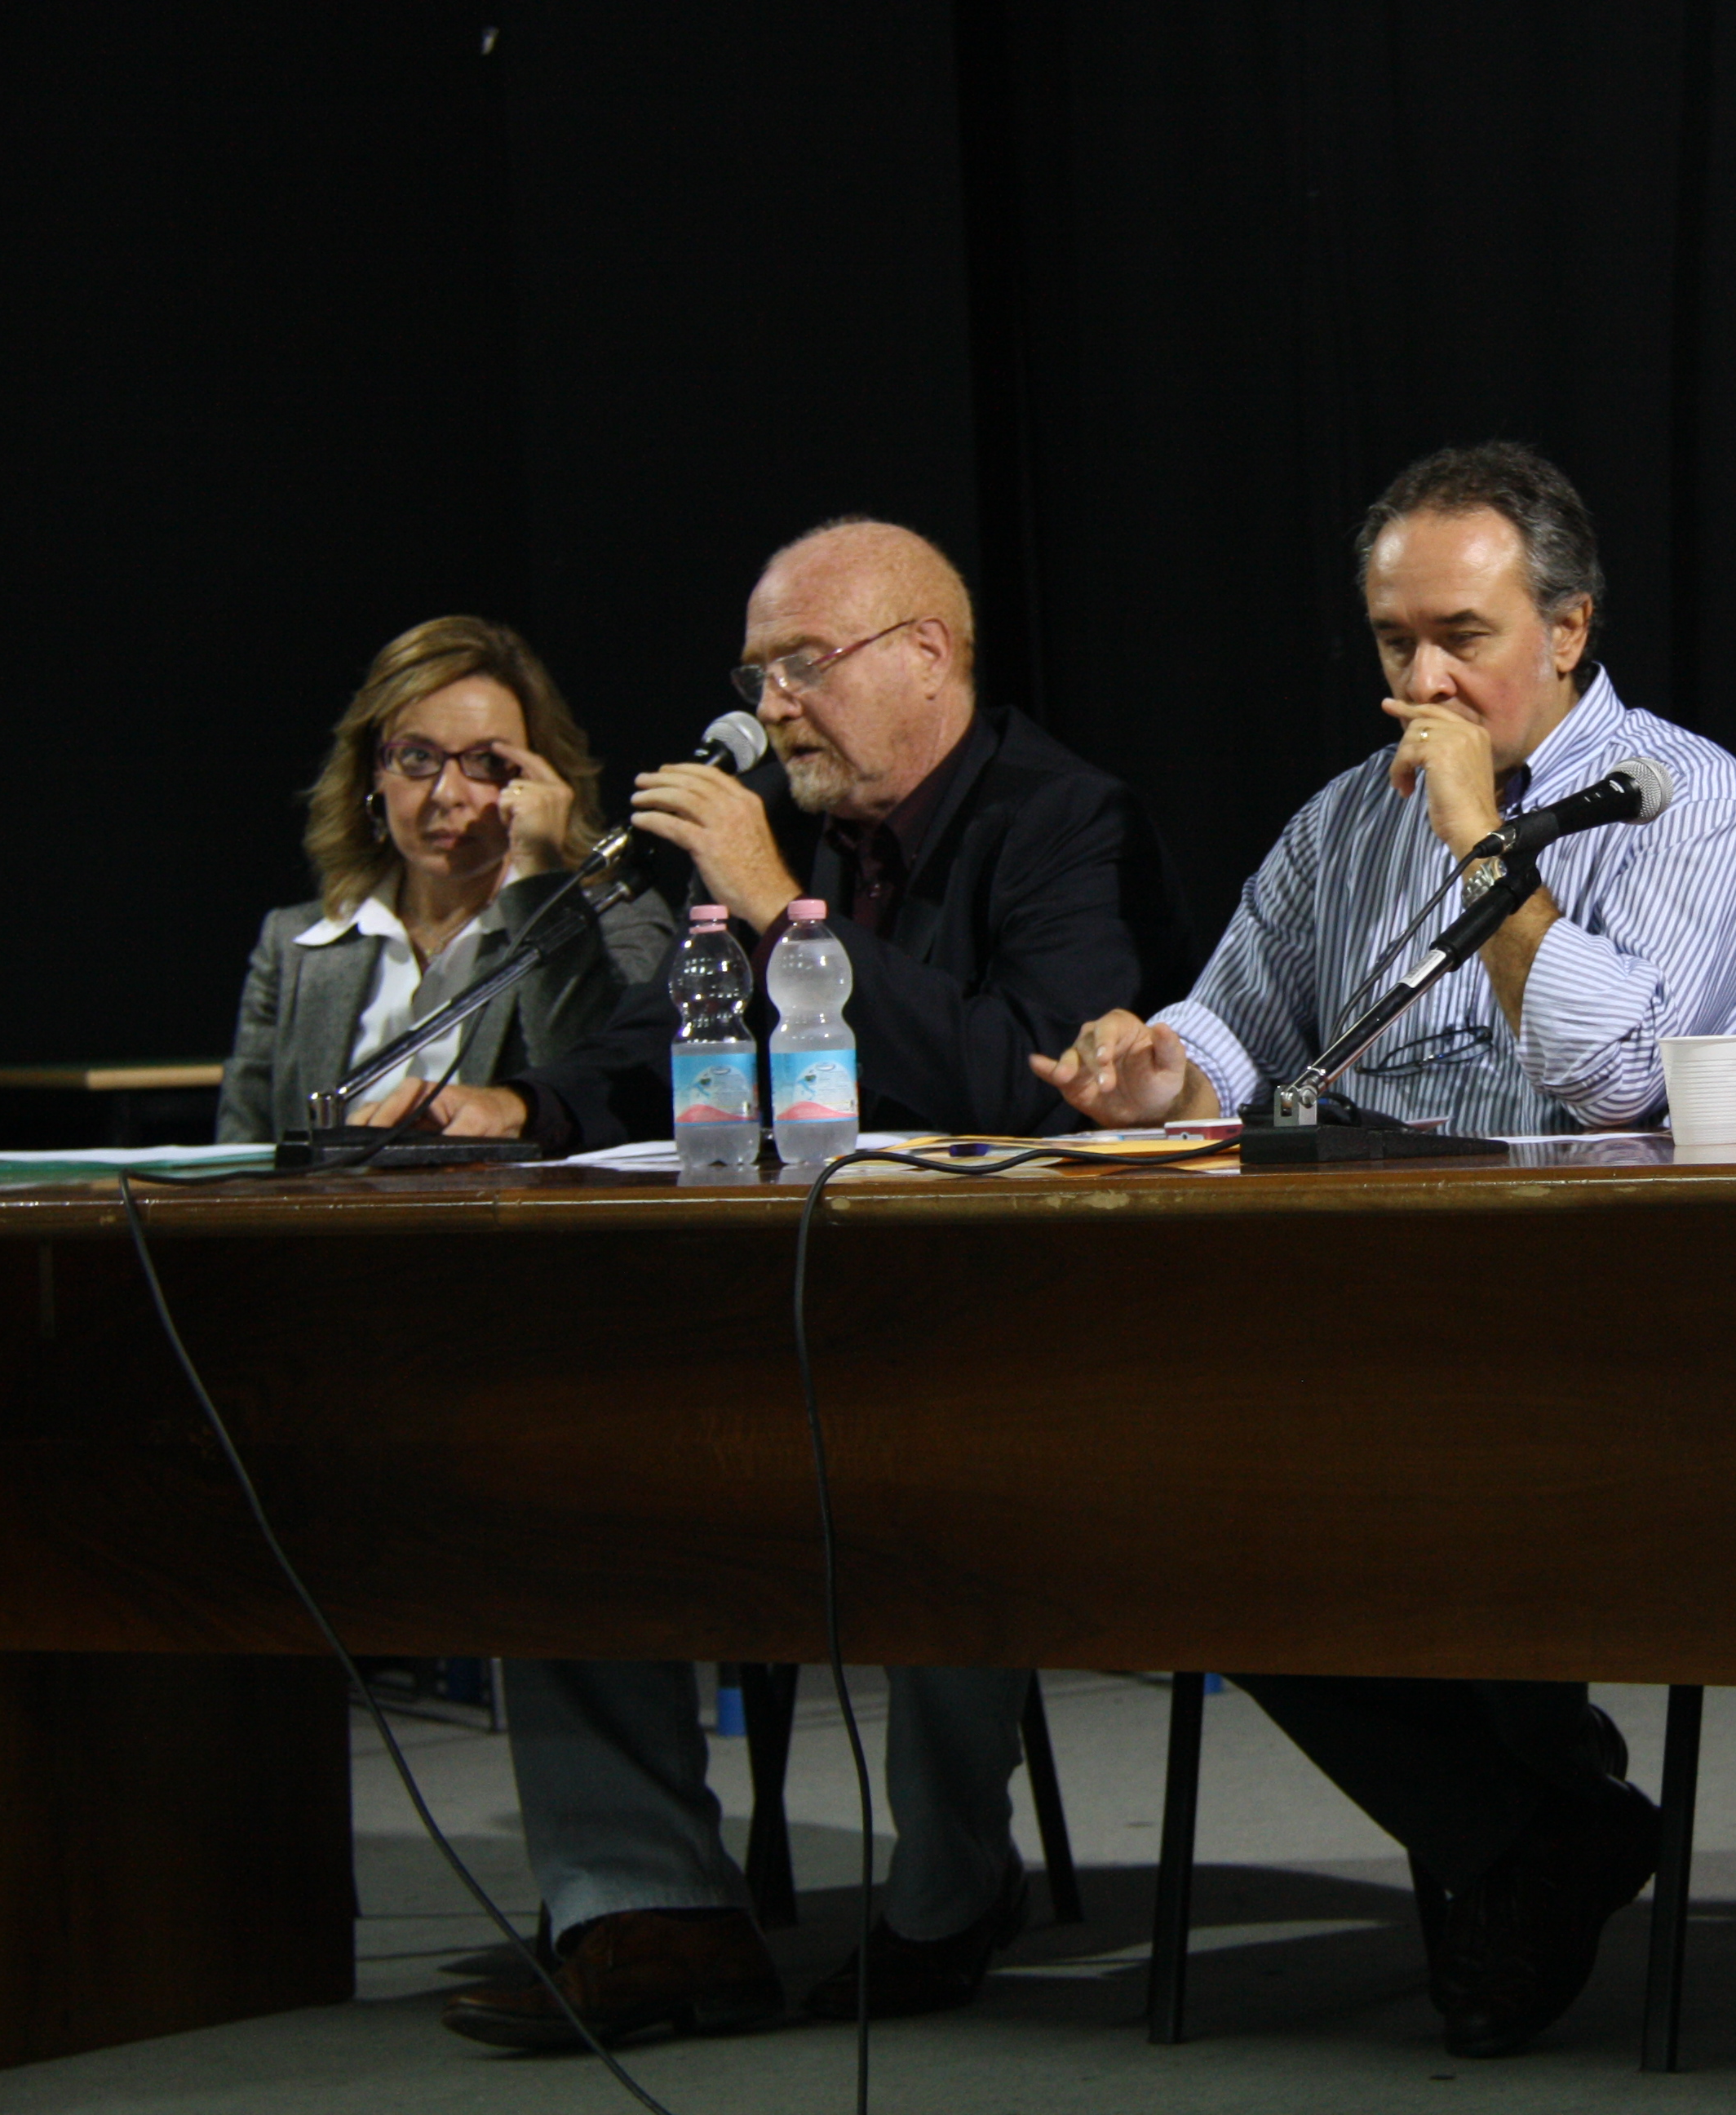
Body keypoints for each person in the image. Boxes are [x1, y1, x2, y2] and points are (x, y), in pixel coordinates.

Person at [1034, 441, 1736, 2059]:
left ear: (1570, 629)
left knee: (1415, 1479)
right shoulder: (1340, 822)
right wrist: (1155, 1073)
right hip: (1369, 1298)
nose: (1424, 682)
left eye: (1463, 636)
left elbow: (1616, 1076)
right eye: (1395, 643)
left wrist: (1481, 841)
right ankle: (1537, 1830)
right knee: (1157, 1502)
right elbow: (1234, 1030)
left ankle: (1527, 1837)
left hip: (1615, 1320)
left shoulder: (1685, 796)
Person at [429, 518, 1193, 2053]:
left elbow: (1034, 1085)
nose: (772, 708)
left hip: (1005, 1332)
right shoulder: (809, 830)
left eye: (803, 666)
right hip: (778, 1304)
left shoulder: (1063, 820)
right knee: (552, 1448)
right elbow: (676, 1034)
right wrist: (521, 1105)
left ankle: (950, 1886)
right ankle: (647, 1910)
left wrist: (783, 900)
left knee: (929, 1449)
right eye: (756, 675)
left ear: (929, 654)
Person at [216, 616, 673, 1145]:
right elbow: (240, 1151)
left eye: (487, 761)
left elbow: (594, 1096)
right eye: (416, 757)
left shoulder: (617, 917)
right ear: (373, 773)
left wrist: (540, 872)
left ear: (542, 775)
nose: (447, 794)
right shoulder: (294, 943)